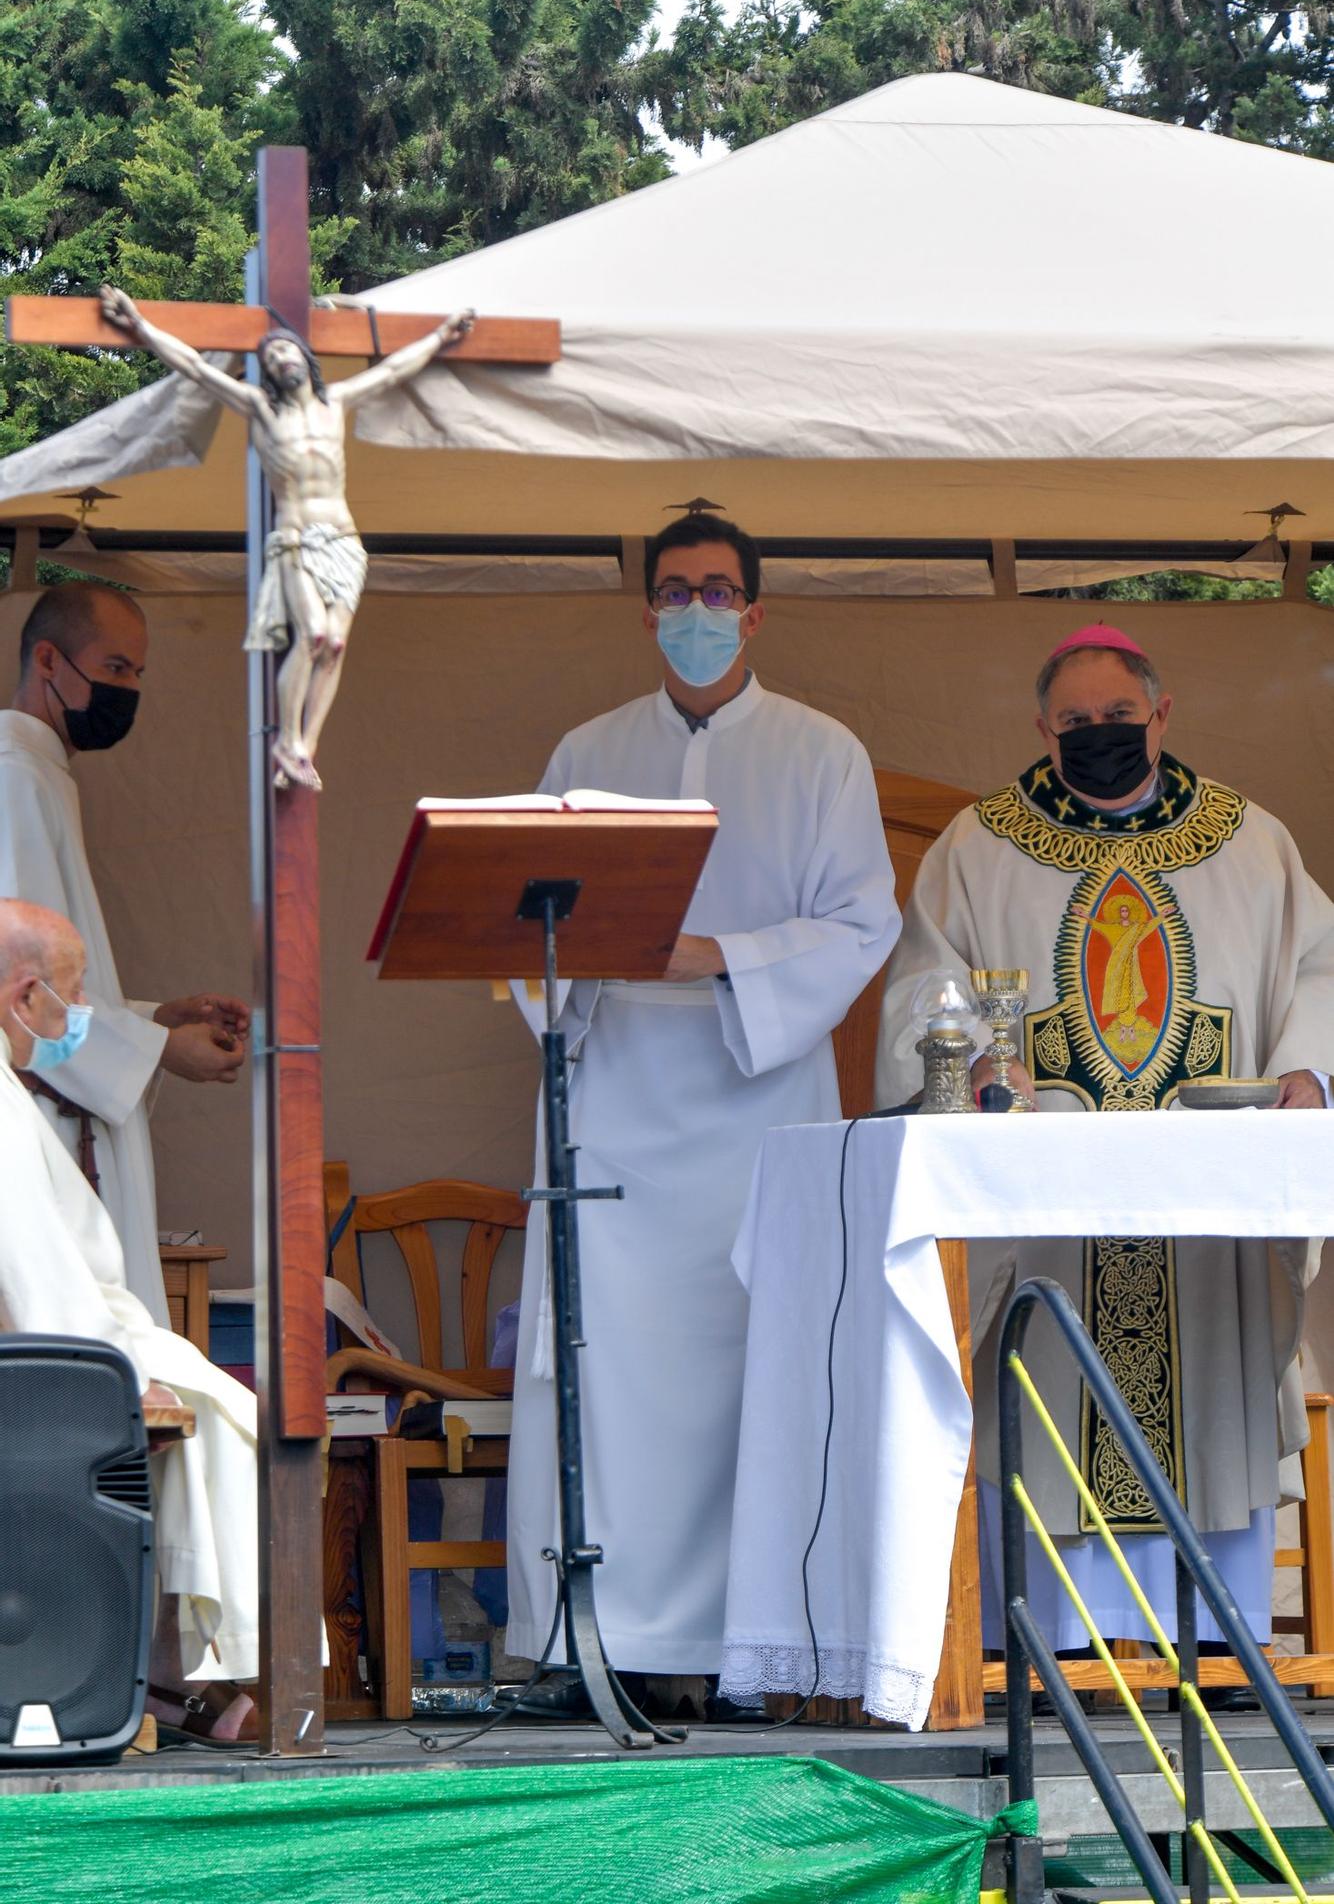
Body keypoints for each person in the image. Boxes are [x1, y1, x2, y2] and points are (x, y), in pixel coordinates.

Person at [505, 512, 901, 1704]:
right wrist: (573, 978)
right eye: (674, 589)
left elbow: (861, 922)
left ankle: (747, 1653)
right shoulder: (585, 748)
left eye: (717, 590)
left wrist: (714, 957)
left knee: (750, 1373)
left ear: (755, 610)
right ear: (645, 610)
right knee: (601, 1371)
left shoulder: (820, 751)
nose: (695, 609)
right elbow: (521, 921)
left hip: (753, 1108)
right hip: (612, 1105)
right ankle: (594, 1644)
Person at [876, 622, 1333, 1649]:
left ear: (1159, 715)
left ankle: (1212, 1636)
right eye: (1074, 722)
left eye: (1116, 718)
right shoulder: (977, 844)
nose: (1097, 735)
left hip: (1202, 1209)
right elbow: (924, 983)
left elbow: (1319, 961)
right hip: (1048, 1206)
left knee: (1205, 1403)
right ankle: (1053, 1638)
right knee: (1046, 1407)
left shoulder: (1247, 839)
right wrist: (965, 1058)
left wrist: (1307, 1064)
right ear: (1040, 726)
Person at [0, 899, 258, 1745]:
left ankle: (173, 1678)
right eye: (71, 1003)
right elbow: (29, 1265)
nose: (78, 1025)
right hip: (56, 1358)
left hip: (76, 1338)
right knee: (233, 1416)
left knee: (229, 1409)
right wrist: (105, 1375)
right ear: (24, 996)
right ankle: (182, 1674)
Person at [98, 284, 472, 790]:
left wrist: (442, 337)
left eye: (286, 350)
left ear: (304, 358)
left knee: (336, 643)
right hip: (296, 538)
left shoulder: (334, 401)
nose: (280, 358)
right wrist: (139, 324)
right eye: (271, 355)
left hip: (343, 537)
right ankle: (285, 738)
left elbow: (393, 370)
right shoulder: (259, 407)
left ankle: (304, 749)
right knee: (314, 635)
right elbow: (194, 367)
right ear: (267, 370)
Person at [0, 582, 249, 1324]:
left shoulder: (41, 773)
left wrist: (154, 1017)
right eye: (114, 669)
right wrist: (160, 1048)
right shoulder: (13, 776)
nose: (129, 690)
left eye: (138, 674)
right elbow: (21, 990)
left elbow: (57, 988)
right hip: (38, 1133)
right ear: (48, 659)